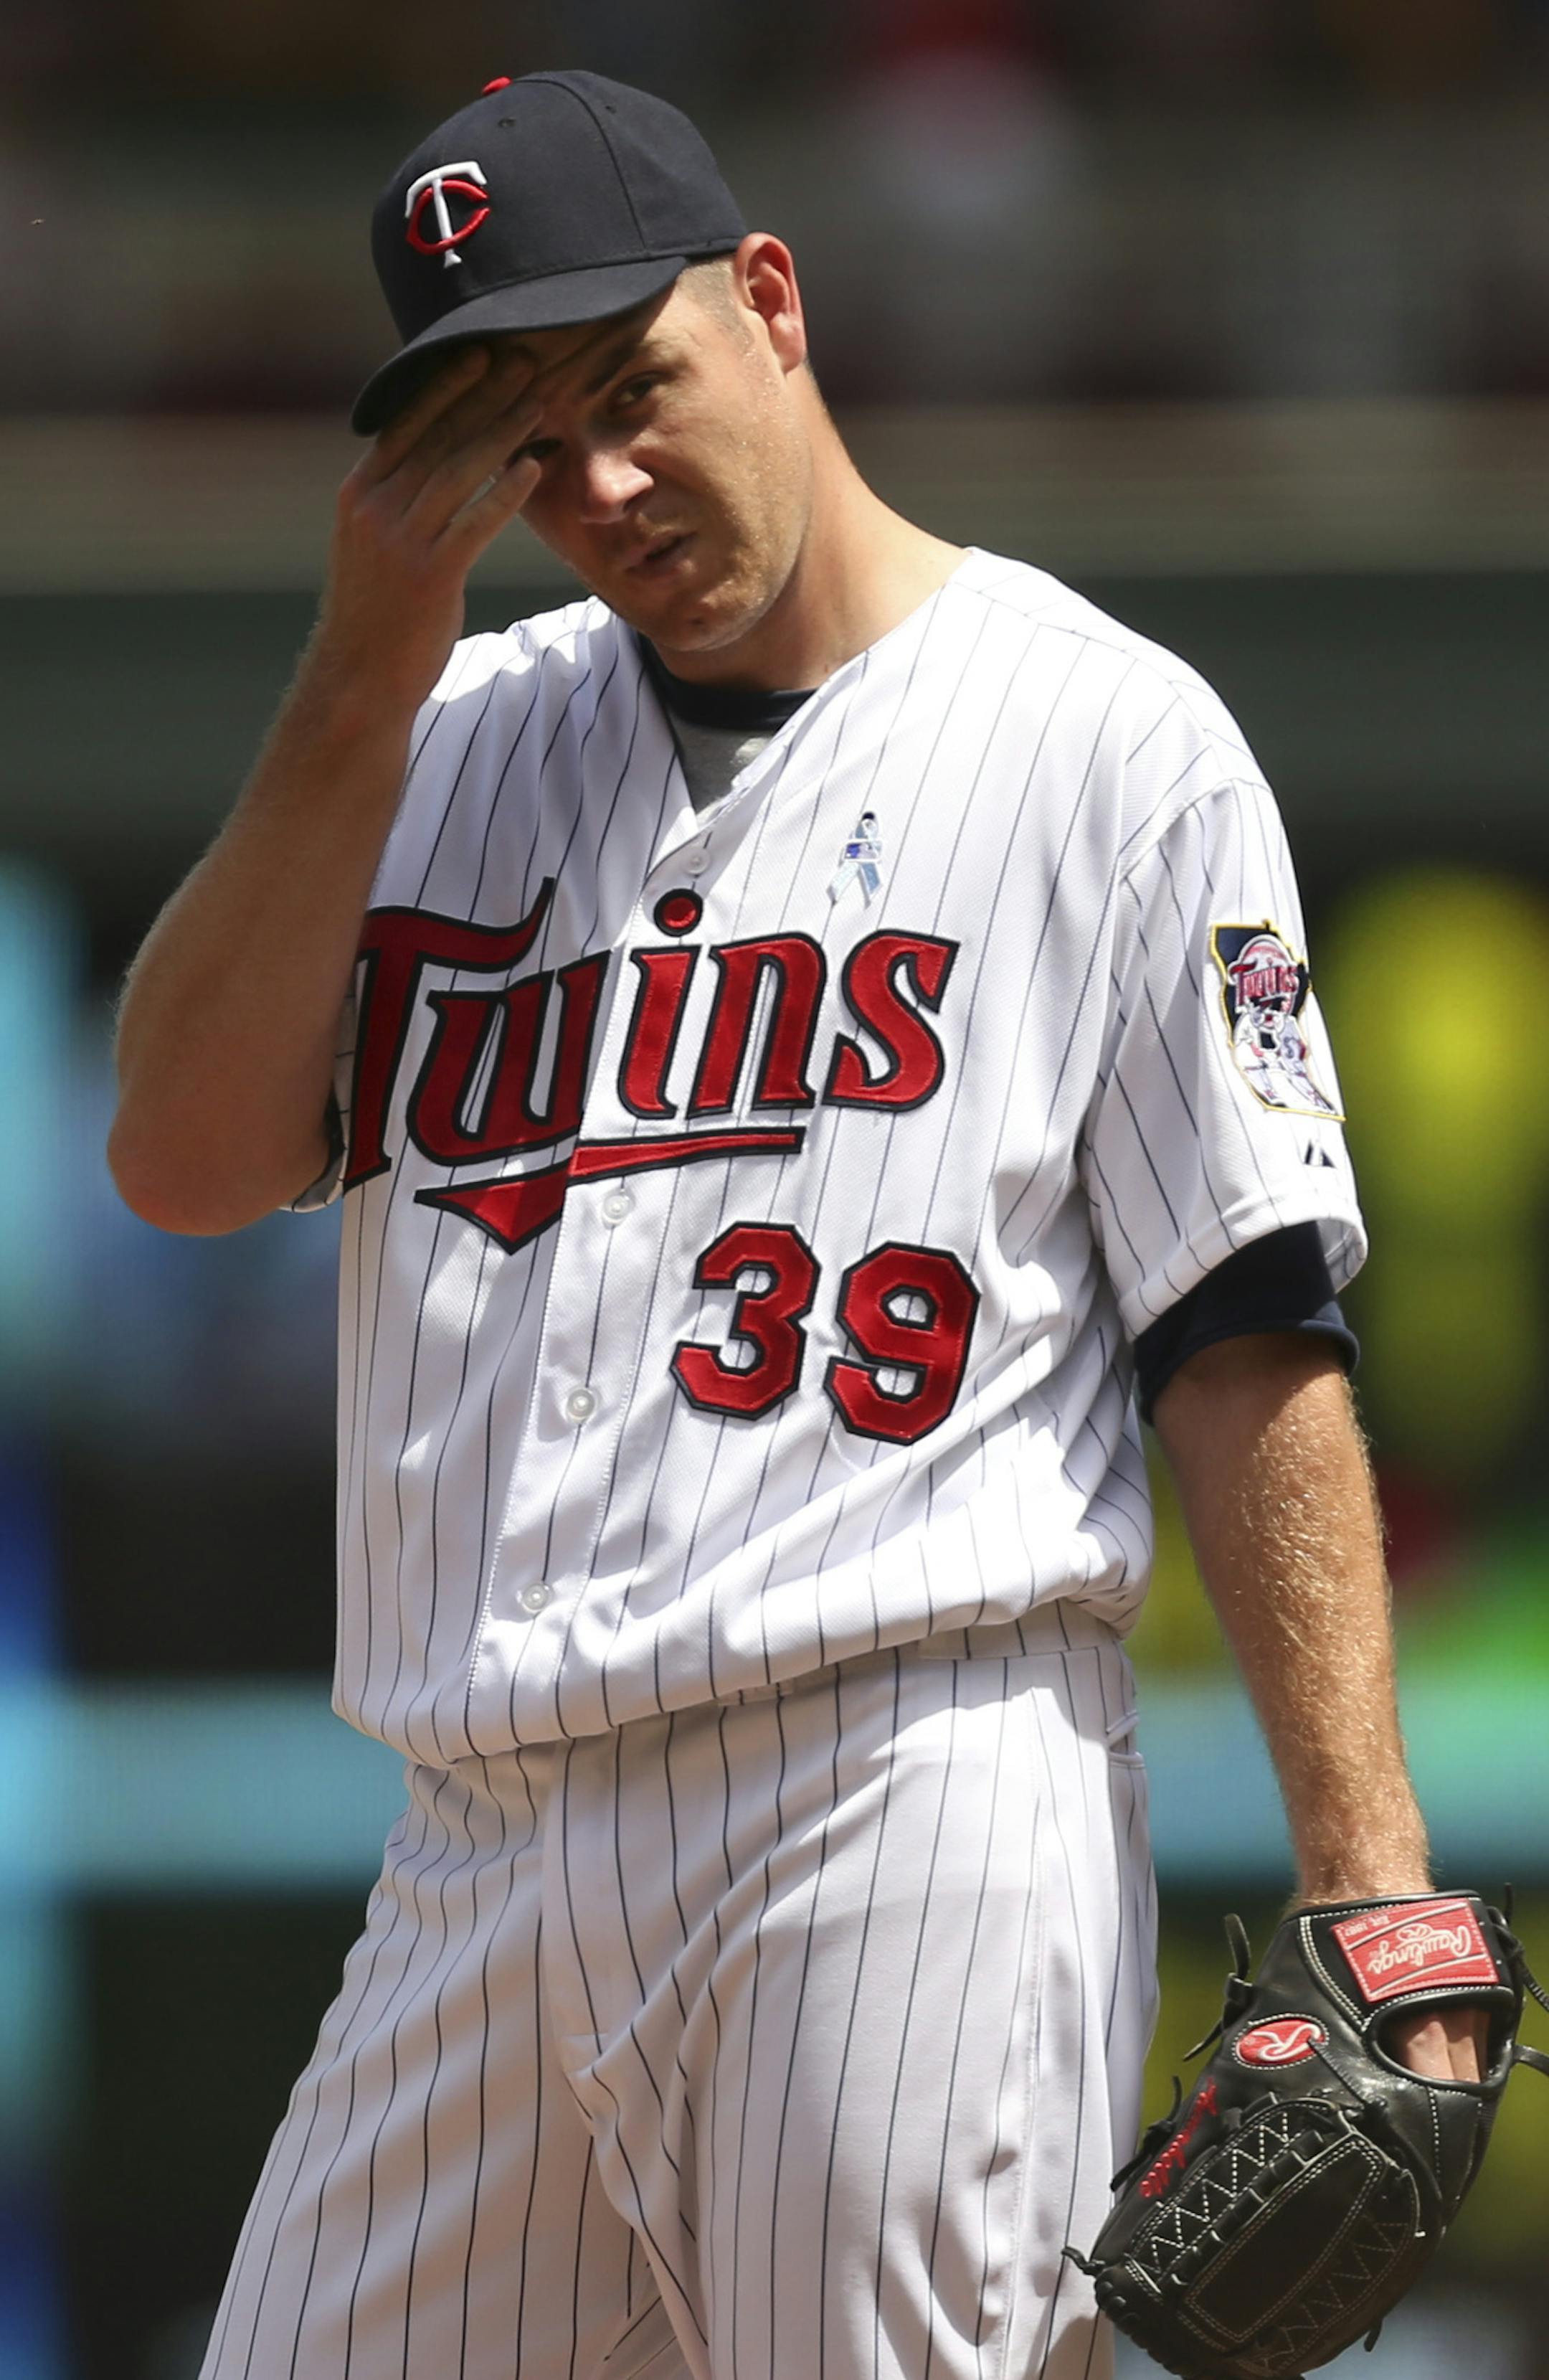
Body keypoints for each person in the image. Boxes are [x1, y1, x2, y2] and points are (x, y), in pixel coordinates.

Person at [108, 69, 1484, 2380]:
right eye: (527, 452)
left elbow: (1244, 1331)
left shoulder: (1098, 740)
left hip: (892, 1794)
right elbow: (182, 1156)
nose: (604, 487)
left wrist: (1370, 1876)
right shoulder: (430, 742)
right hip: (473, 1852)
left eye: (630, 389)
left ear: (770, 304)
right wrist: (360, 663)